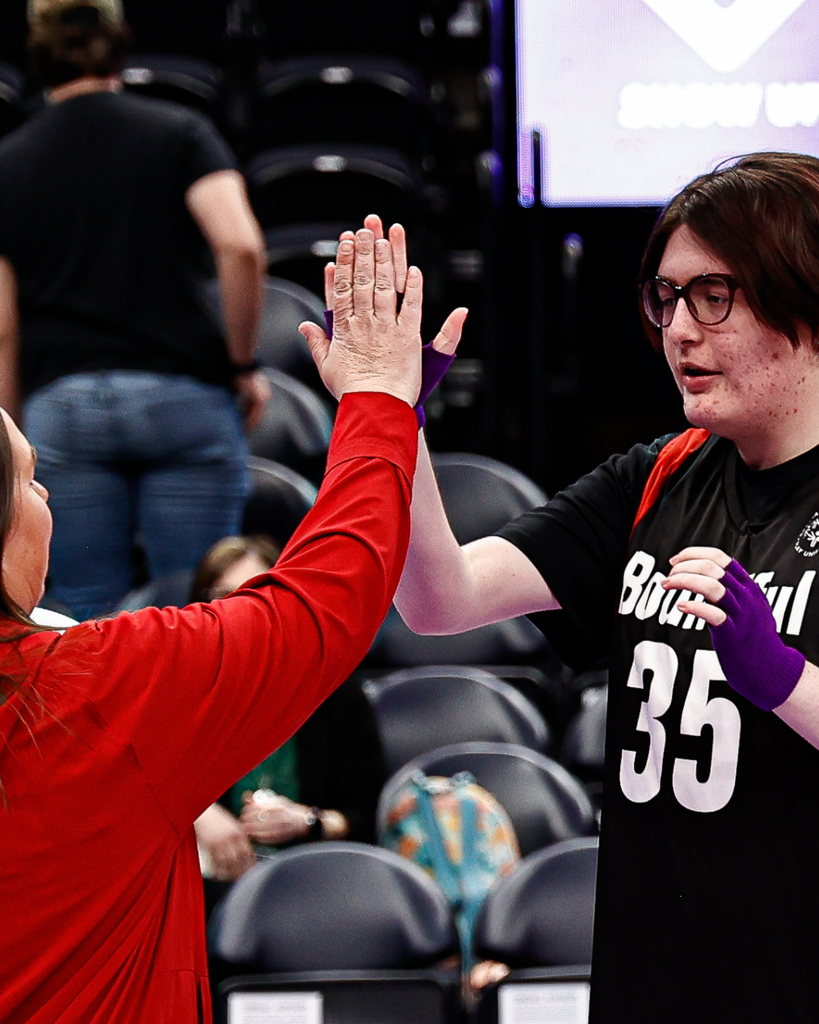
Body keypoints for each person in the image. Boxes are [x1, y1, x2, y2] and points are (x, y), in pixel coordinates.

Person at [374, 153, 819, 1022]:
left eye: (713, 296)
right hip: (646, 984)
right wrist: (397, 421)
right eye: (666, 297)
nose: (677, 330)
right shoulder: (656, 477)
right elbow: (437, 601)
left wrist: (782, 680)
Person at [0, 227, 423, 1024]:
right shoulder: (98, 686)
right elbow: (323, 601)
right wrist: (374, 400)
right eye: (28, 480)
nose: (48, 498)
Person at [0, 0, 272, 620]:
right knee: (200, 610)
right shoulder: (180, 131)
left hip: (65, 407)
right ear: (119, 44)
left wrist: (13, 433)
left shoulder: (8, 162)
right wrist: (241, 363)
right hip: (183, 396)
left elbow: (2, 325)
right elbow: (241, 246)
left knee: (83, 620)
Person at [190, 535, 387, 892]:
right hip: (205, 876)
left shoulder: (337, 692)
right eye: (222, 595)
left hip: (316, 878)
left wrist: (308, 821)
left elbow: (367, 816)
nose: (238, 609)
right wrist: (199, 816)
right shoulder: (183, 686)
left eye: (254, 593)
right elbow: (137, 784)